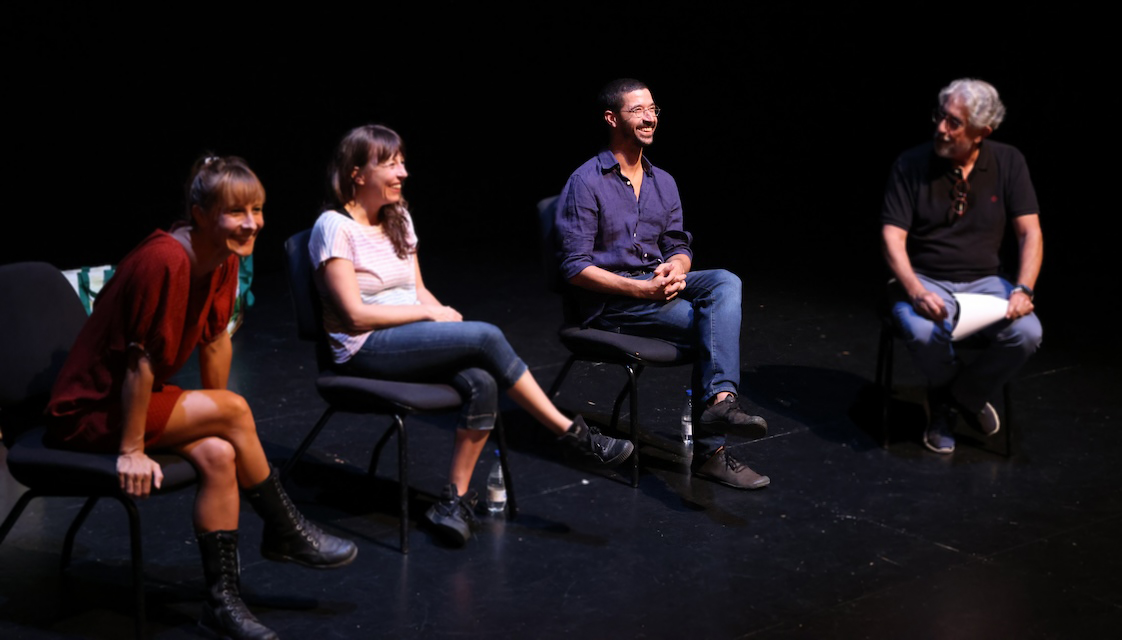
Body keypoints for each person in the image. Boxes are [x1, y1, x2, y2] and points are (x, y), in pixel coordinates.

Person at [47, 156, 357, 640]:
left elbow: (215, 340)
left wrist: (216, 422)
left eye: (257, 209)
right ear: (200, 214)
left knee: (220, 452)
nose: (251, 223)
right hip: (91, 410)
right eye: (236, 212)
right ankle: (285, 529)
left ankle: (222, 603)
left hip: (135, 398)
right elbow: (138, 362)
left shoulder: (226, 259)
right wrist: (131, 451)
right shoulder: (166, 260)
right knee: (233, 411)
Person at [309, 124, 635, 547]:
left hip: (408, 337)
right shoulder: (333, 227)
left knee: (481, 382)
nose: (402, 172)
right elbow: (353, 315)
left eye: (402, 161)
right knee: (485, 337)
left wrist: (439, 316)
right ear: (356, 173)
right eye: (390, 164)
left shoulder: (398, 216)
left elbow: (416, 288)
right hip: (361, 349)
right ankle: (569, 433)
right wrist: (430, 314)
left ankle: (453, 501)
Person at [554, 78, 769, 490]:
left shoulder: (663, 181)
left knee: (724, 281)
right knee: (709, 328)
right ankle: (712, 453)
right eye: (638, 110)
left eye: (654, 109)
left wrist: (678, 265)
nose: (650, 117)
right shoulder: (586, 182)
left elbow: (676, 241)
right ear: (611, 118)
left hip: (655, 286)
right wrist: (640, 290)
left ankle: (721, 402)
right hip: (613, 303)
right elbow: (574, 267)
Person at [880, 78, 1043, 454]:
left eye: (954, 122)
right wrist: (916, 290)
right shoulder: (911, 163)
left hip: (985, 283)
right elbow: (892, 236)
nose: (941, 128)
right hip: (924, 278)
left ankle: (952, 400)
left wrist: (1023, 289)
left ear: (982, 132)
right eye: (940, 116)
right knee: (922, 332)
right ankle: (959, 398)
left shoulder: (1008, 161)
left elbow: (1029, 233)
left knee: (1028, 332)